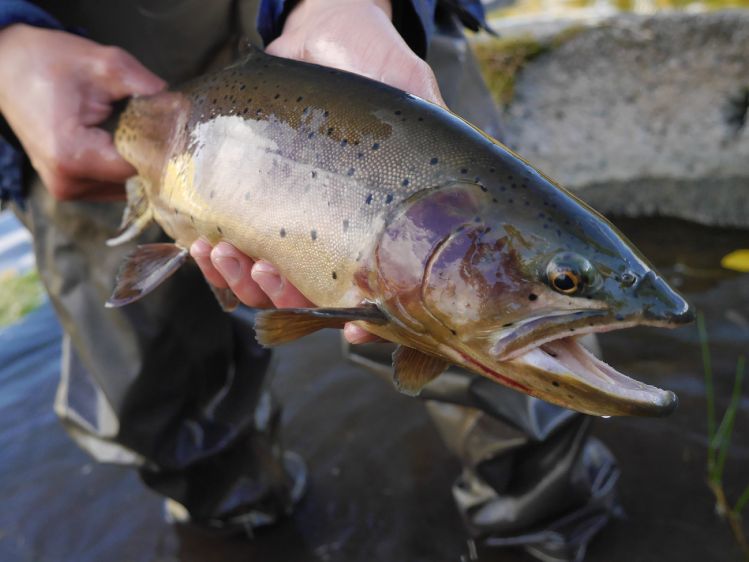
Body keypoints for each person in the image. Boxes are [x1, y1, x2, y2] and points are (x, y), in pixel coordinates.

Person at [0, 1, 618, 559]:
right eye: (567, 280)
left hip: (365, 46)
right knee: (159, 391)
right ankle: (237, 530)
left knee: (514, 382)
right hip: (73, 49)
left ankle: (547, 530)